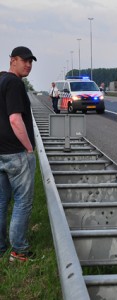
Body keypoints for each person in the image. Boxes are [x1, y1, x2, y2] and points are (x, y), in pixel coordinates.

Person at [0, 46, 37, 262]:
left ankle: (2, 246)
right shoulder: (13, 82)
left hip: (1, 152)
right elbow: (15, 119)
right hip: (16, 153)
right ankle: (19, 250)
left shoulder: (1, 81)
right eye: (24, 61)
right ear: (12, 60)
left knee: (2, 201)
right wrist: (29, 148)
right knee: (23, 201)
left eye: (31, 61)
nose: (29, 65)